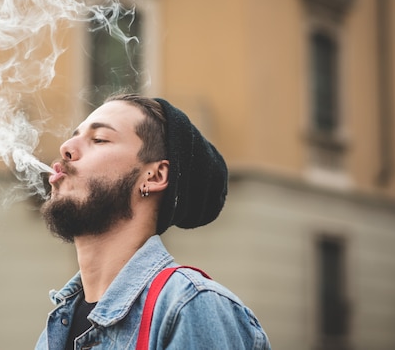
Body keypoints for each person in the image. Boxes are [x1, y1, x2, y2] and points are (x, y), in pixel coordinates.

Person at [35, 94, 271, 349]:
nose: (66, 148)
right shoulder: (56, 329)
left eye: (99, 139)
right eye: (74, 135)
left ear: (155, 176)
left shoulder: (187, 306)